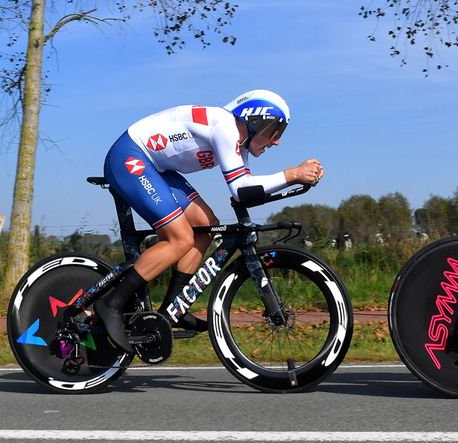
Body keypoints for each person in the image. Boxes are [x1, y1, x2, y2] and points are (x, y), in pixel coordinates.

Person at [94, 90, 324, 350]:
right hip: (131, 157)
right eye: (276, 131)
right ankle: (110, 304)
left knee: (207, 227)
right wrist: (292, 174)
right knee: (180, 238)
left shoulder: (239, 141)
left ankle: (173, 308)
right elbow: (240, 189)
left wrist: (294, 181)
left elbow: (247, 190)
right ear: (257, 120)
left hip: (156, 168)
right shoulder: (225, 127)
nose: (277, 142)